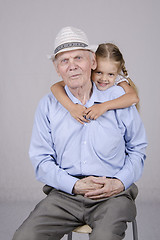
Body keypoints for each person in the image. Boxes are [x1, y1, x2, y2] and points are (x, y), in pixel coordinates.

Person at [12, 26, 147, 240]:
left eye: (78, 58)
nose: (72, 66)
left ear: (92, 62)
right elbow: (41, 159)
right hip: (65, 194)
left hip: (112, 193)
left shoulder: (118, 99)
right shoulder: (48, 106)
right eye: (64, 61)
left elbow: (138, 150)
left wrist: (119, 182)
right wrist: (73, 185)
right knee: (25, 237)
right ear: (57, 69)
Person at [51, 42, 139, 124]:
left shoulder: (118, 82)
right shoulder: (86, 76)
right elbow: (55, 87)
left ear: (117, 73)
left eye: (110, 74)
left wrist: (103, 107)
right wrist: (72, 108)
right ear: (92, 65)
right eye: (99, 72)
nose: (104, 79)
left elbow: (133, 98)